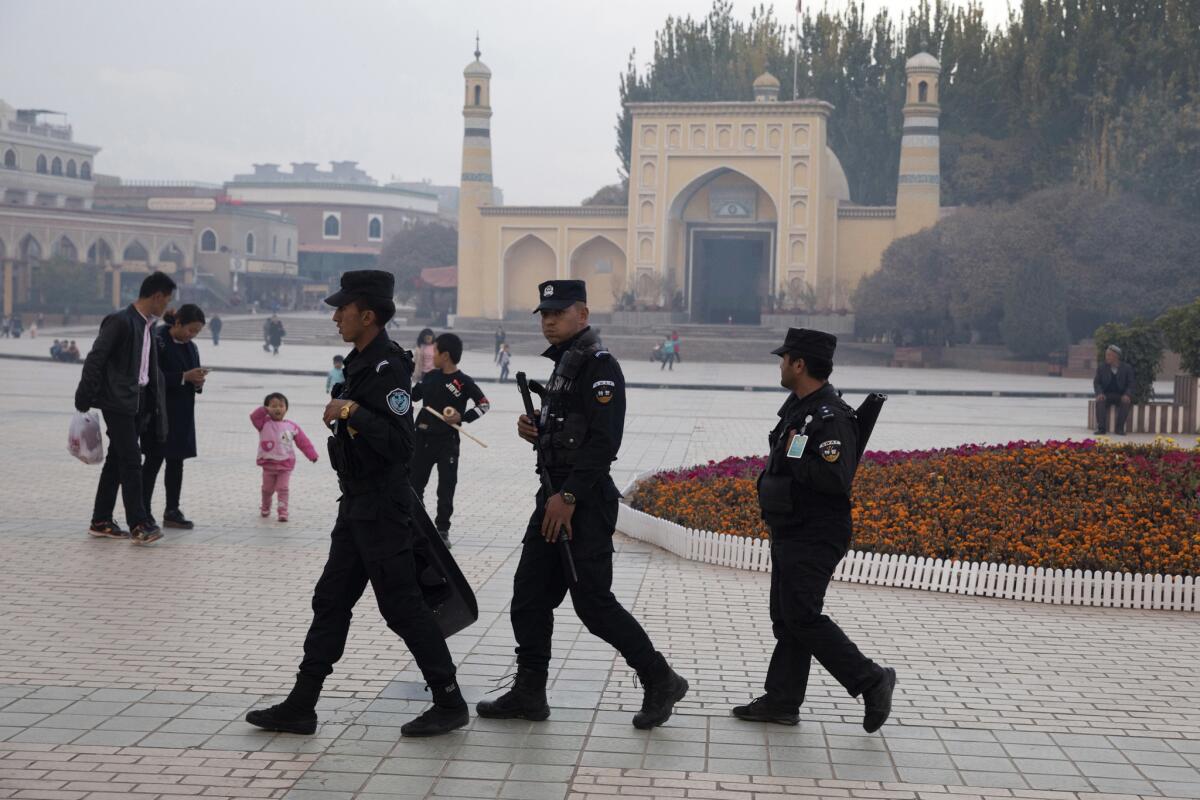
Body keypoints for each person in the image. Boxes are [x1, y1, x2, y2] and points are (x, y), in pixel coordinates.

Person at [245, 269, 469, 738]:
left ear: (367, 314)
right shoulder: (358, 363)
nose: (335, 318)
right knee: (330, 601)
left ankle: (449, 701)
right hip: (357, 504)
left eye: (342, 310)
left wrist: (352, 411)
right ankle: (302, 704)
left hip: (384, 508)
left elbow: (401, 444)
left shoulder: (388, 368)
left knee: (403, 607)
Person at [477, 279, 688, 729]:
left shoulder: (599, 366)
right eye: (545, 314)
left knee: (593, 604)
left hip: (582, 503)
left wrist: (569, 497)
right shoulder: (564, 366)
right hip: (552, 498)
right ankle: (529, 693)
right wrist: (537, 428)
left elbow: (603, 442)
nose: (549, 321)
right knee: (529, 596)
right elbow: (570, 430)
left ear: (583, 314)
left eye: (559, 312)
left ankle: (660, 678)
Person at [734, 327, 896, 731]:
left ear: (800, 364)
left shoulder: (830, 416)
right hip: (792, 528)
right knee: (787, 618)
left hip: (816, 531)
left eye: (784, 358)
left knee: (802, 616)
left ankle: (871, 679)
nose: (781, 364)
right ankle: (782, 701)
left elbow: (836, 478)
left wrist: (795, 460)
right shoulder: (799, 409)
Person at [74, 271, 175, 545]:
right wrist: (83, 397)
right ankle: (139, 524)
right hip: (118, 402)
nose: (166, 306)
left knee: (118, 461)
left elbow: (147, 369)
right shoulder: (120, 321)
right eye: (166, 301)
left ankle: (101, 519)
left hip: (136, 401)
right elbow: (96, 358)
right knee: (132, 461)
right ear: (156, 297)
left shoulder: (146, 325)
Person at [410, 333, 490, 548]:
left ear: (445, 355)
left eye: (435, 351)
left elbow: (484, 405)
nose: (432, 355)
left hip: (448, 442)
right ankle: (417, 525)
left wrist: (461, 418)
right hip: (422, 438)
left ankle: (442, 530)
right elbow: (411, 396)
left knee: (446, 487)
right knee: (415, 483)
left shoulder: (463, 382)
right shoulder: (429, 377)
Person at [141, 305, 207, 530]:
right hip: (159, 412)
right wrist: (182, 377)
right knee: (153, 461)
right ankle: (143, 511)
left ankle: (172, 509)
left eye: (197, 332)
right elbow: (150, 376)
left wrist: (197, 381)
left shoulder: (192, 348)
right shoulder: (157, 341)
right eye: (191, 330)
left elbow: (192, 376)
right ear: (177, 323)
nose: (192, 335)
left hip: (183, 413)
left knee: (176, 462)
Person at [250, 392, 319, 521]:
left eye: (281, 406)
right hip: (268, 463)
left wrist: (312, 455)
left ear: (286, 408)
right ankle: (265, 506)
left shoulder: (291, 427)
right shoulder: (263, 424)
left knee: (283, 488)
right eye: (273, 406)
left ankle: (283, 511)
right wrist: (264, 410)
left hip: (285, 464)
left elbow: (303, 442)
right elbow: (254, 417)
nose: (277, 409)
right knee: (267, 489)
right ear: (267, 408)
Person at [1094, 344, 1135, 435]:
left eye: (1109, 355)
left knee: (1126, 402)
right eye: (1106, 355)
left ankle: (1119, 429)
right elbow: (1097, 383)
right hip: (1106, 394)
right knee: (1100, 401)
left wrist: (1127, 394)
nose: (1106, 357)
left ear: (1116, 356)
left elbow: (1131, 384)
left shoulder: (1127, 368)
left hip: (1120, 395)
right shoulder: (1102, 367)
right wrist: (1099, 393)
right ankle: (1101, 429)